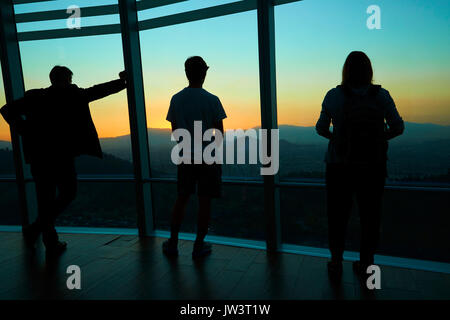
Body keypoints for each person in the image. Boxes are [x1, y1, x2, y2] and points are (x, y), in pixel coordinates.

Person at [0, 66, 127, 256]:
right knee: (67, 194)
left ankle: (45, 237)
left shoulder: (37, 97)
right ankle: (40, 233)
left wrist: (25, 130)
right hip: (62, 157)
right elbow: (99, 90)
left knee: (46, 199)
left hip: (40, 157)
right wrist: (122, 82)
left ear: (52, 79)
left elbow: (6, 109)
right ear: (68, 78)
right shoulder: (74, 95)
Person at [315, 51, 404, 283]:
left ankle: (335, 262)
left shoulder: (334, 95)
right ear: (369, 70)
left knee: (337, 215)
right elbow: (398, 126)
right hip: (373, 166)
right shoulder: (381, 96)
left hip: (339, 165)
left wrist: (338, 138)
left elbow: (321, 127)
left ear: (345, 70)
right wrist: (379, 139)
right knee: (370, 216)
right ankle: (366, 263)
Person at [163, 56, 226, 259]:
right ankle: (198, 245)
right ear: (204, 73)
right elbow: (219, 133)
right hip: (208, 157)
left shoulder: (176, 99)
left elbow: (175, 132)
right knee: (205, 201)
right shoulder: (212, 100)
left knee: (182, 198)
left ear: (186, 73)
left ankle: (172, 243)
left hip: (186, 156)